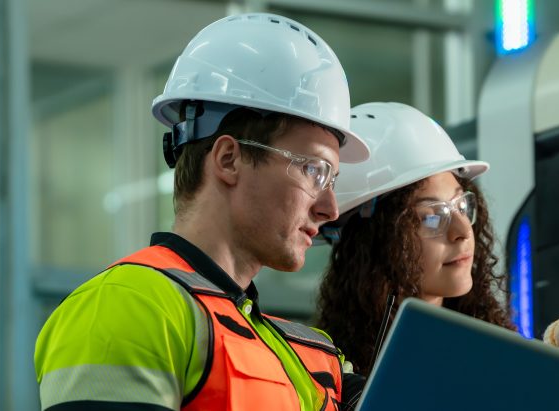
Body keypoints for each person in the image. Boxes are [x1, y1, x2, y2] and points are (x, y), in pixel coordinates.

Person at [34, 13, 368, 411]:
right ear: (229, 159)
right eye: (314, 171)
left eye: (332, 180)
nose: (330, 208)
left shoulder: (299, 353)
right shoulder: (128, 305)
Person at [316, 102, 559, 383]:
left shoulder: (485, 355)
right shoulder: (325, 373)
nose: (463, 230)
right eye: (431, 216)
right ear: (368, 241)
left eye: (462, 206)